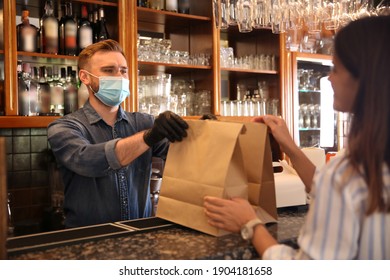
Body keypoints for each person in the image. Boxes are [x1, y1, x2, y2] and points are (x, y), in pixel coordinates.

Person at [204, 15, 390, 259]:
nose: (329, 78)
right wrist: (290, 147)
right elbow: (328, 189)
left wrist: (250, 223)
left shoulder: (348, 174)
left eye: (336, 68)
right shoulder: (361, 168)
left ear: (363, 76)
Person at [48, 39, 188, 228]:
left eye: (123, 71)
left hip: (140, 237)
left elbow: (184, 153)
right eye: (109, 71)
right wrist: (148, 137)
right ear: (85, 77)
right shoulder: (64, 128)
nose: (119, 77)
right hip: (88, 241)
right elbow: (88, 160)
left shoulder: (144, 122)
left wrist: (204, 131)